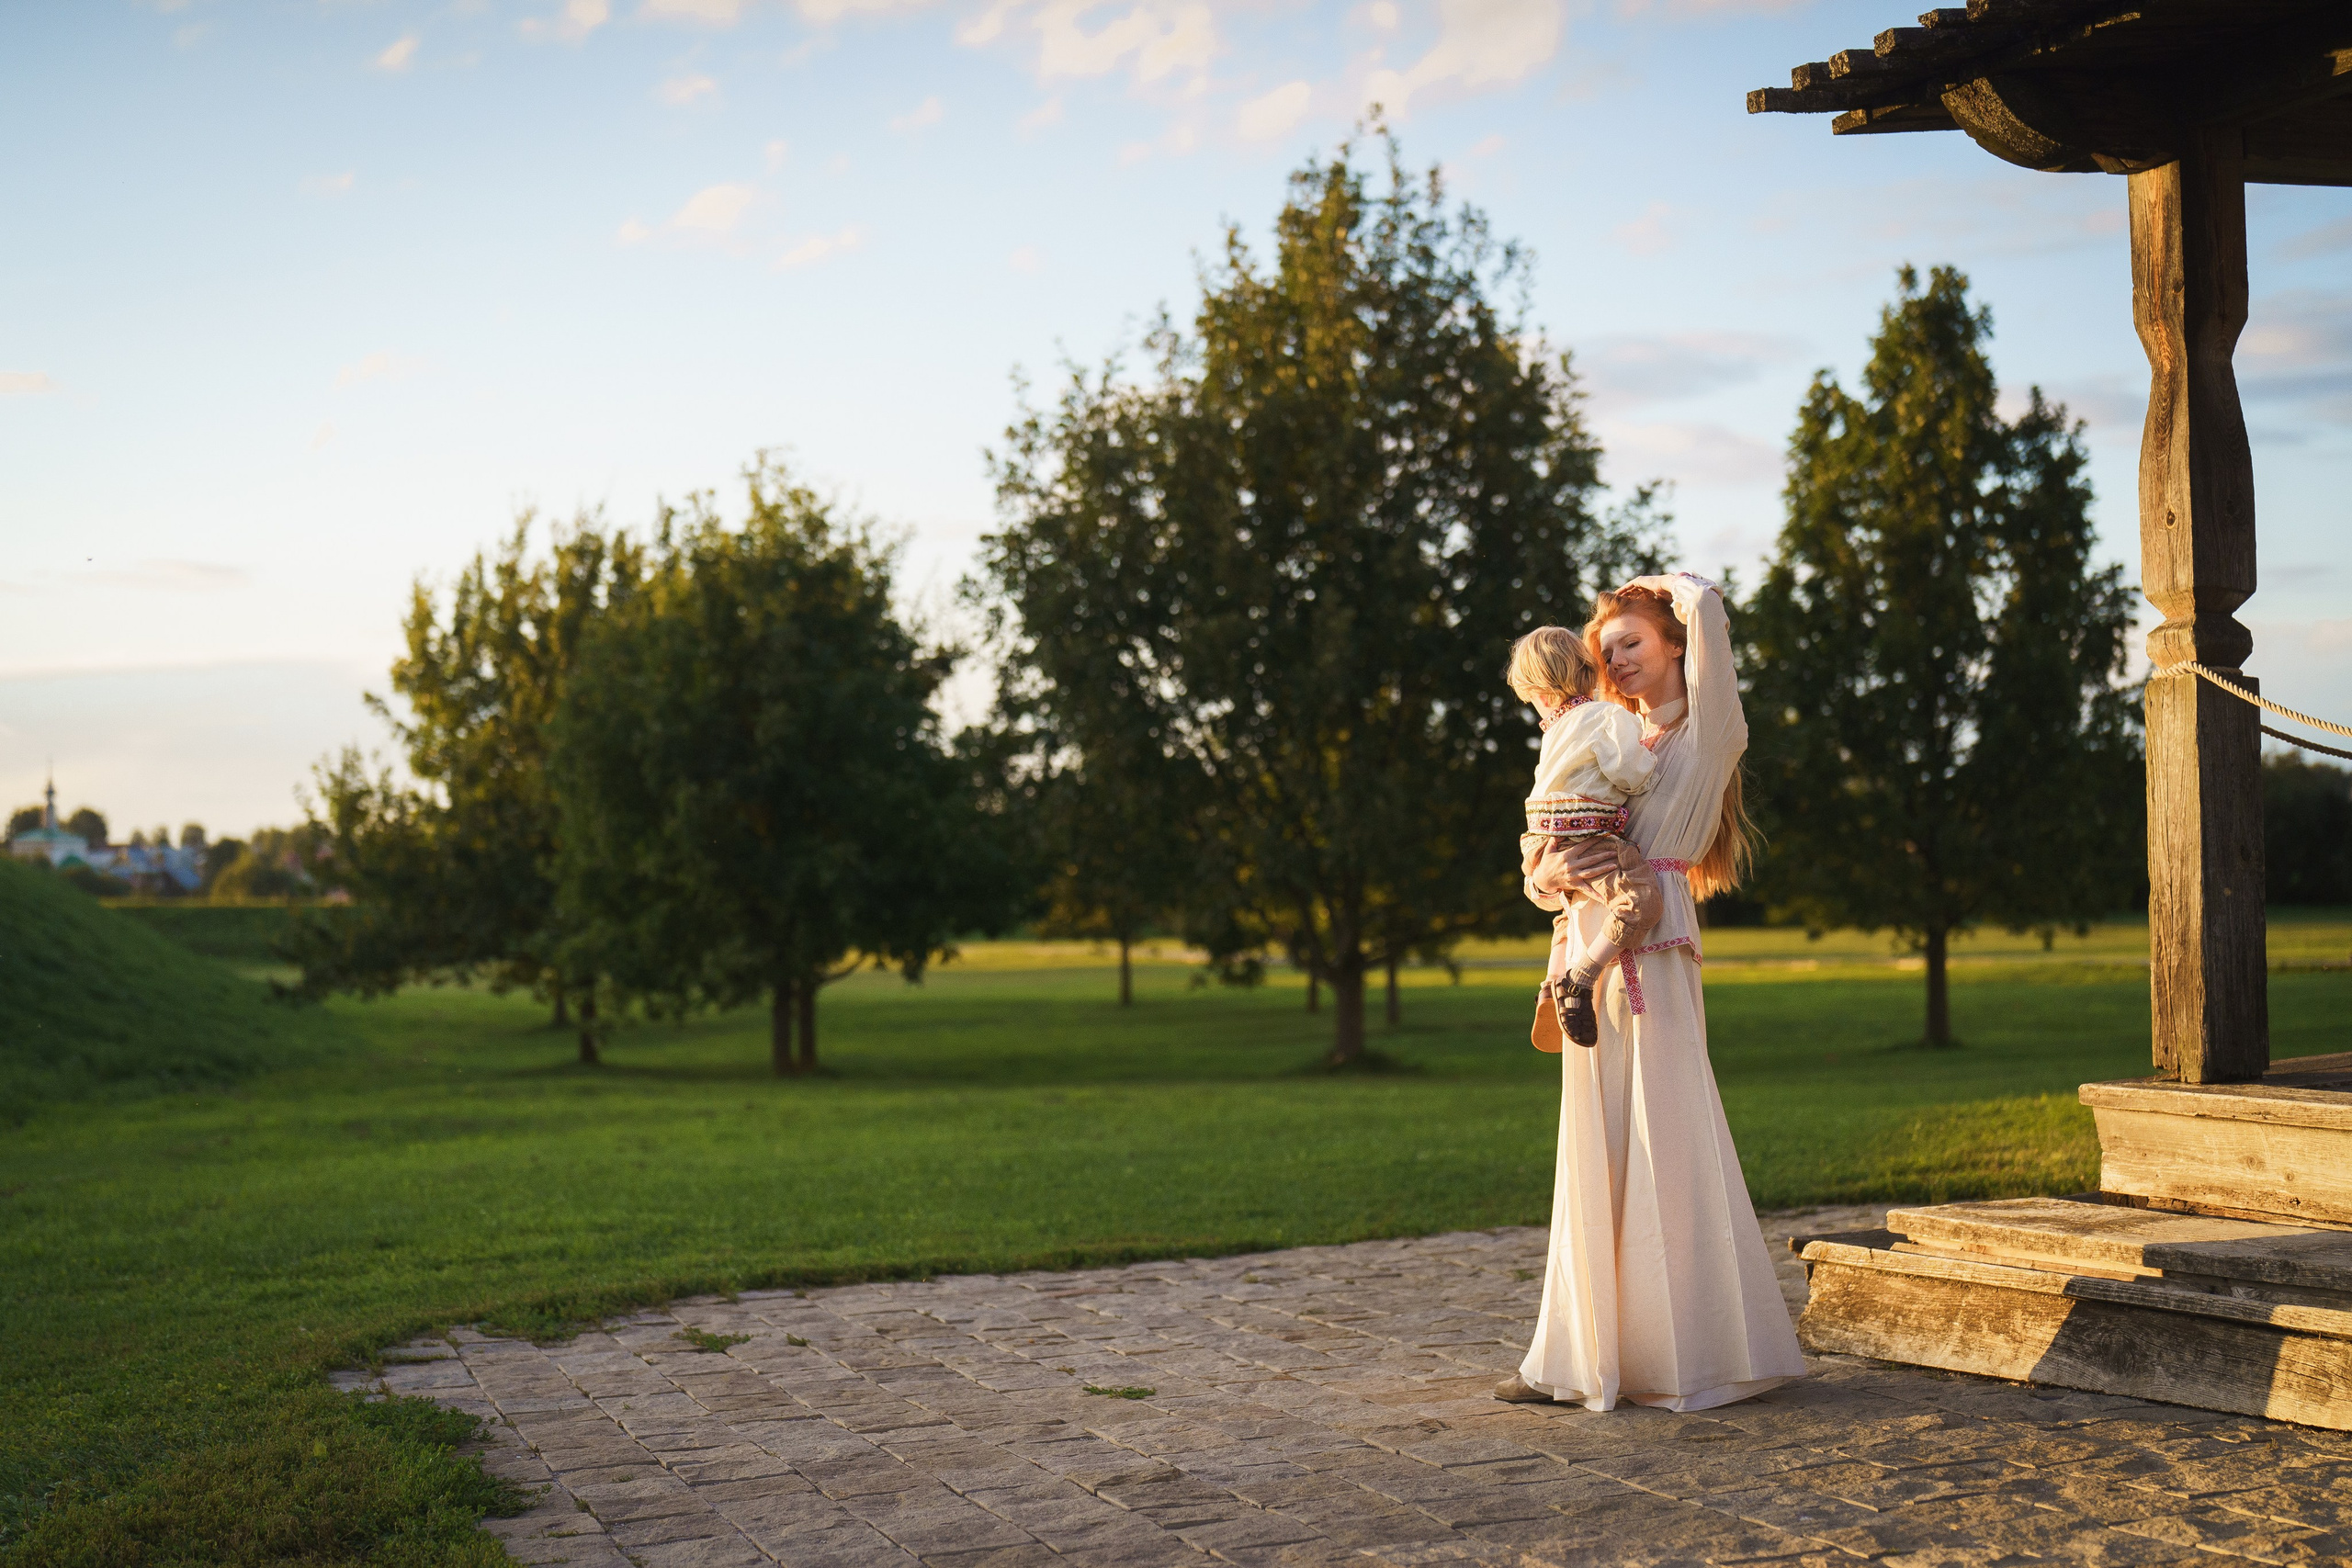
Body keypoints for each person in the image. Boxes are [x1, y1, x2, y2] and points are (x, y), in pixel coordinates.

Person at [1495, 573, 1806, 1413]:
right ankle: (1573, 1357)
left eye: (1631, 641)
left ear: (1674, 644)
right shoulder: (1601, 733)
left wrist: (1673, 588)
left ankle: (1686, 1356)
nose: (1616, 660)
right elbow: (1550, 843)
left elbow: (1708, 613)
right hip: (1581, 958)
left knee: (1665, 1143)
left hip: (1656, 961)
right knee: (1589, 1150)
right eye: (1606, 650)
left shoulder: (1711, 736)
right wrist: (1545, 880)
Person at [1506, 626, 1663, 1049]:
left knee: (1567, 911)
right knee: (1640, 904)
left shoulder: (1554, 731)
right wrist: (1649, 756)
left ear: (1539, 693)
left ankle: (1550, 981)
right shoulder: (1609, 716)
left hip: (1539, 842)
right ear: (1590, 671)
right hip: (1585, 835)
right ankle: (1578, 980)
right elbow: (1629, 772)